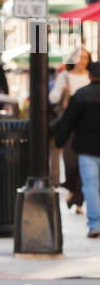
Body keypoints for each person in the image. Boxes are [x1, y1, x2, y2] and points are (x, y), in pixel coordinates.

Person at [54, 58, 100, 239]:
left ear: (89, 74)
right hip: (88, 148)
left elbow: (67, 122)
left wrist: (59, 141)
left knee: (90, 186)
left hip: (87, 149)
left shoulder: (81, 95)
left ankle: (95, 225)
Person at [49, 47, 92, 213]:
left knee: (86, 163)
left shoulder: (91, 77)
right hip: (70, 125)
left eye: (85, 58)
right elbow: (53, 98)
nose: (82, 61)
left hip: (88, 125)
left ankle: (78, 200)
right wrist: (63, 92)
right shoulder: (65, 76)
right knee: (71, 162)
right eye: (80, 57)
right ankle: (73, 191)